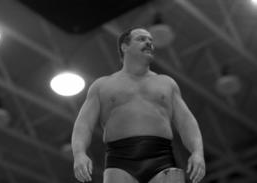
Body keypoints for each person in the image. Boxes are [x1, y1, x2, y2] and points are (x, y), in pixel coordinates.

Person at [71, 27, 206, 183]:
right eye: (141, 39)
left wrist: (197, 152)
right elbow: (83, 124)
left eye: (150, 40)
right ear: (124, 47)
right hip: (119, 160)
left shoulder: (167, 83)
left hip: (162, 158)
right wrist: (79, 153)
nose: (149, 43)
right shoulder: (102, 86)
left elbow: (186, 122)